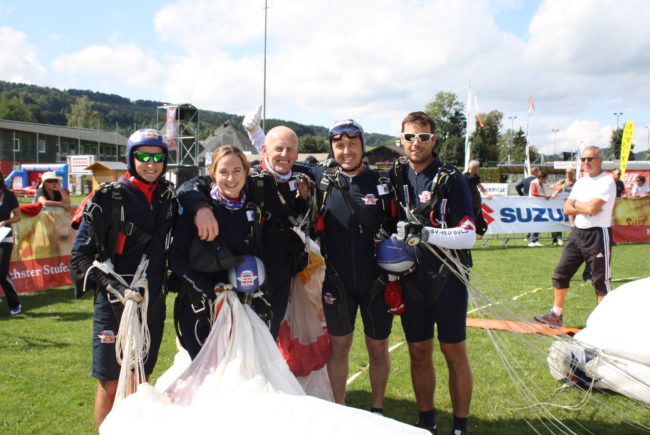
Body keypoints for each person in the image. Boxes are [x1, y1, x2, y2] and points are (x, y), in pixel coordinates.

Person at [70, 129, 176, 428]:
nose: (151, 163)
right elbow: (79, 259)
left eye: (157, 157)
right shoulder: (107, 198)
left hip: (151, 301)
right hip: (114, 303)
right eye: (143, 156)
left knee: (140, 378)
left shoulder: (168, 198)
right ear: (130, 158)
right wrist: (114, 287)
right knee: (111, 382)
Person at [293, 119, 396, 413]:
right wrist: (254, 134)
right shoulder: (321, 177)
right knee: (338, 347)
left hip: (376, 280)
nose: (346, 150)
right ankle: (339, 409)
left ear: (363, 146)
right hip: (337, 280)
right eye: (339, 145)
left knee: (377, 348)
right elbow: (280, 157)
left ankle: (377, 410)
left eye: (353, 144)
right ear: (332, 148)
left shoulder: (383, 182)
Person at [177, 124, 311, 340]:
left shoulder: (288, 182)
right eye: (278, 149)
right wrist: (200, 207)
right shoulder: (243, 187)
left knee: (260, 354)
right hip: (213, 297)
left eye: (290, 149)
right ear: (265, 150)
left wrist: (303, 202)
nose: (231, 178)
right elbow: (188, 187)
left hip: (263, 287)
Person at [389, 112, 475, 434]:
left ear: (433, 140)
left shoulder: (452, 178)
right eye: (410, 137)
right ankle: (426, 421)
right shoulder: (396, 173)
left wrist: (426, 233)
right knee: (418, 351)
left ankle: (460, 426)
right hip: (411, 277)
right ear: (401, 139)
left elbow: (468, 234)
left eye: (423, 137)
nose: (416, 143)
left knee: (453, 351)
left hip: (447, 276)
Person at [171, 146, 266, 358]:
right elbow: (176, 259)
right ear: (213, 173)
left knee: (240, 373)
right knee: (206, 376)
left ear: (246, 171)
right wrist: (210, 292)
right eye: (223, 172)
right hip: (200, 307)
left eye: (236, 170)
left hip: (240, 306)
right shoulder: (196, 210)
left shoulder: (252, 208)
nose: (230, 178)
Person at [534, 146, 616, 327]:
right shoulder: (580, 182)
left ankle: (605, 325)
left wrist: (579, 206)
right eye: (583, 159)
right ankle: (556, 315)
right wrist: (583, 206)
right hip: (578, 233)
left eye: (590, 159)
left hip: (597, 233)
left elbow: (593, 209)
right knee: (560, 274)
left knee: (600, 281)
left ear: (600, 160)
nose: (586, 163)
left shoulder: (606, 182)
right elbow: (566, 208)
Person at [0, 174, 22, 315]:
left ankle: (14, 303)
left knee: (2, 273)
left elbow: (18, 216)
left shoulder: (9, 195)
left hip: (5, 237)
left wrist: (5, 222)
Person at [528, 171, 558, 247]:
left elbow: (544, 192)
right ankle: (532, 240)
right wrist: (544, 196)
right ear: (541, 178)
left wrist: (546, 195)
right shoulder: (534, 182)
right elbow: (533, 193)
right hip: (534, 205)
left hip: (539, 206)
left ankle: (534, 240)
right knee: (536, 223)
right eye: (545, 179)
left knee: (539, 223)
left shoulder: (542, 184)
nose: (546, 181)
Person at [463, 160, 491, 236]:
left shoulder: (475, 177)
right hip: (469, 204)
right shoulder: (463, 177)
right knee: (471, 223)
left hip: (476, 205)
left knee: (479, 224)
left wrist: (486, 193)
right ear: (476, 168)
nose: (479, 169)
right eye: (478, 167)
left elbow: (480, 186)